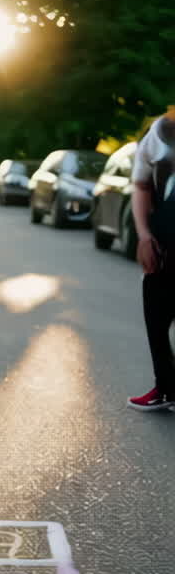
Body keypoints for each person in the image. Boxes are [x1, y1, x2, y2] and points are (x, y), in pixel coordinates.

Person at [128, 109, 175, 411]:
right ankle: (167, 388)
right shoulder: (162, 130)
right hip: (165, 241)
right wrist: (144, 235)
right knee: (156, 317)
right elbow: (142, 185)